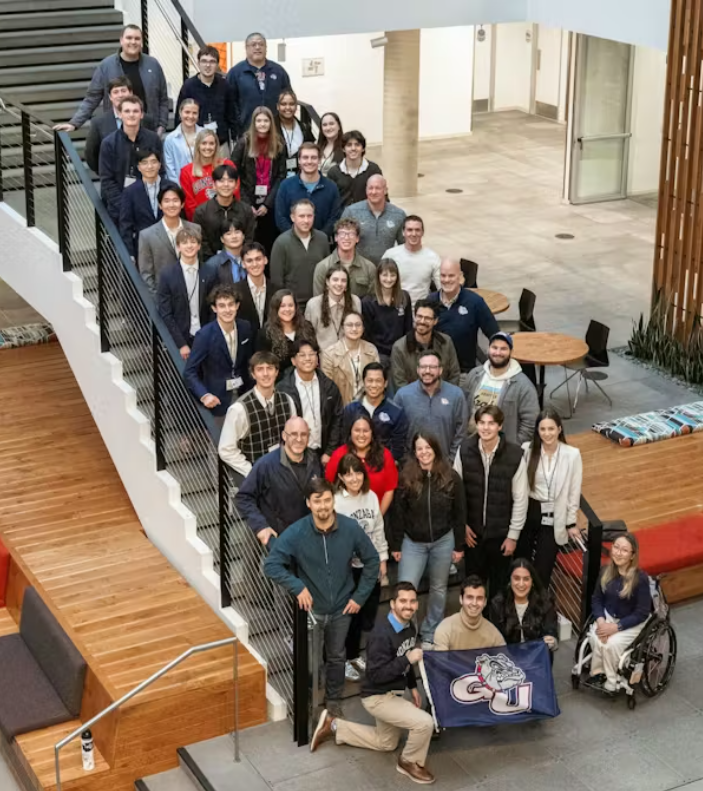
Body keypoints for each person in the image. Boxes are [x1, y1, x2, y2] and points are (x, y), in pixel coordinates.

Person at [264, 477, 380, 716]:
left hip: (341, 609)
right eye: (318, 501)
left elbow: (372, 560)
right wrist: (297, 586)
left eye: (327, 500)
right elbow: (272, 565)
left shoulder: (350, 528)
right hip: (312, 610)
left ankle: (333, 702)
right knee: (309, 659)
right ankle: (306, 702)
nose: (323, 506)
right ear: (309, 503)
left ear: (333, 501)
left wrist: (359, 597)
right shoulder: (296, 532)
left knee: (337, 657)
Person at [310, 582, 436, 786]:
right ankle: (409, 762)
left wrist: (413, 686)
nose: (408, 605)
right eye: (403, 601)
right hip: (377, 696)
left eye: (412, 601)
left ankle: (333, 726)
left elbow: (405, 655)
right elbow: (377, 675)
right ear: (393, 604)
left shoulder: (410, 626)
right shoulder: (381, 635)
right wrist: (408, 660)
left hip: (393, 693)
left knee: (386, 743)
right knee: (424, 723)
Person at [391, 433, 466, 646]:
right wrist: (396, 545)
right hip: (412, 542)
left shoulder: (451, 477)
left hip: (443, 541)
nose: (424, 452)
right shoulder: (406, 477)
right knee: (406, 588)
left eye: (427, 447)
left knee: (439, 588)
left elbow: (460, 513)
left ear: (435, 449)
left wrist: (459, 546)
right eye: (419, 448)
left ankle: (431, 631)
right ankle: (407, 633)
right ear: (414, 452)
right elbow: (398, 513)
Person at [455, 404, 529, 598]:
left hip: (501, 536)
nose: (485, 428)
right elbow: (456, 492)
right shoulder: (464, 449)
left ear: (500, 426)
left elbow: (521, 499)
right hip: (472, 536)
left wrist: (513, 536)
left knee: (499, 590)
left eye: (491, 423)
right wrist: (461, 525)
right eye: (481, 423)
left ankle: (496, 626)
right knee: (472, 589)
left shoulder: (515, 455)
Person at [333, 454, 389, 681]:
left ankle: (355, 655)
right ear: (340, 477)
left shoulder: (371, 497)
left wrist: (382, 559)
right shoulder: (336, 501)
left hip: (370, 565)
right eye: (348, 474)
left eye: (357, 473)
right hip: (348, 569)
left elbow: (378, 529)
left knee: (367, 614)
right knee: (350, 617)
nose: (354, 478)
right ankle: (346, 658)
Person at [54, 24, 168, 134]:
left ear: (141, 42)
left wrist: (161, 126)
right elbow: (92, 98)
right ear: (121, 40)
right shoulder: (106, 66)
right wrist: (75, 123)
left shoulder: (153, 65)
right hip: (116, 132)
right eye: (129, 38)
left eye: (137, 38)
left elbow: (163, 99)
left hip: (148, 131)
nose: (133, 42)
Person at [518, 408, 583, 587]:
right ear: (537, 431)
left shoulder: (572, 455)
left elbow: (573, 491)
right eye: (543, 429)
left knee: (542, 570)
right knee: (521, 566)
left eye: (551, 429)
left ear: (559, 429)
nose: (547, 434)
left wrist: (571, 522)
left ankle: (537, 608)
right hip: (530, 512)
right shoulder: (527, 450)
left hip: (554, 516)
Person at [235, 417, 323, 546]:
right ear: (284, 436)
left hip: (307, 536)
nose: (299, 439)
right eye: (293, 434)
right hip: (278, 539)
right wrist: (260, 526)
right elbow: (243, 497)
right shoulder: (265, 464)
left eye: (303, 434)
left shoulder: (314, 460)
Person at [588, 533, 652, 692]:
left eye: (624, 550)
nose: (618, 552)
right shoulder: (605, 571)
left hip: (631, 620)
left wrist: (616, 628)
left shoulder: (640, 579)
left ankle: (612, 679)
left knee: (611, 644)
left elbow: (642, 613)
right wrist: (602, 622)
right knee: (596, 637)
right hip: (608, 617)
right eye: (616, 547)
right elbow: (596, 599)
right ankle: (598, 672)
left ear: (632, 555)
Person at [218, 351, 296, 478]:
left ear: (276, 372)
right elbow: (226, 450)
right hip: (256, 480)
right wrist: (252, 472)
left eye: (270, 368)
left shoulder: (287, 401)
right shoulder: (239, 409)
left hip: (284, 474)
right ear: (253, 374)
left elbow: (293, 437)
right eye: (260, 369)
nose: (265, 374)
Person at [184, 285, 254, 420]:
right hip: (217, 401)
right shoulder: (204, 335)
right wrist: (204, 395)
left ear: (237, 306)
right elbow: (189, 372)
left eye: (231, 305)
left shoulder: (245, 327)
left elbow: (249, 360)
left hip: (244, 396)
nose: (227, 310)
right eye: (222, 306)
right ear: (214, 308)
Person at [463, 331, 539, 445]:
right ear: (488, 349)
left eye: (503, 349)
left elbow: (531, 422)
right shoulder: (474, 375)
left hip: (502, 450)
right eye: (494, 347)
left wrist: (514, 447)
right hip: (472, 443)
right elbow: (463, 407)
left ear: (511, 352)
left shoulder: (524, 386)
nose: (498, 352)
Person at [429, 259, 499, 379]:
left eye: (451, 276)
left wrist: (495, 364)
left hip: (465, 373)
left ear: (460, 277)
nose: (446, 280)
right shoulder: (430, 301)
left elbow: (495, 334)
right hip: (435, 373)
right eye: (443, 275)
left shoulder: (475, 302)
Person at [277, 339, 343, 466]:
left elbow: (337, 419)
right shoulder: (283, 389)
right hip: (294, 453)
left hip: (323, 452)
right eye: (302, 355)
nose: (308, 358)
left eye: (312, 354)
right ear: (293, 361)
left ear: (317, 359)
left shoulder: (329, 386)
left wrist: (330, 451)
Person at [99, 95, 163, 224]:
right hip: (120, 212)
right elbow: (107, 180)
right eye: (127, 111)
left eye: (135, 111)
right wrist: (125, 207)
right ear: (120, 114)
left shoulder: (153, 139)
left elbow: (161, 172)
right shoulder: (109, 143)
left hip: (150, 209)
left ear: (142, 115)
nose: (131, 115)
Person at [230, 106, 286, 253]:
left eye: (266, 120)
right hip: (247, 200)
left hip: (270, 202)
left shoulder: (278, 143)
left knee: (269, 242)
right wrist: (247, 203)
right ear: (253, 123)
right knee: (250, 243)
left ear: (271, 123)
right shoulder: (244, 143)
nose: (262, 124)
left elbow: (281, 175)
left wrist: (268, 204)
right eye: (259, 120)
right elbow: (233, 174)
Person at [156, 227, 218, 360]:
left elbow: (214, 307)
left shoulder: (210, 272)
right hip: (180, 337)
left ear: (199, 246)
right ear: (178, 247)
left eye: (193, 242)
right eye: (184, 243)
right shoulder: (167, 274)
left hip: (205, 335)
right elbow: (165, 312)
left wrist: (210, 336)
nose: (189, 246)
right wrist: (181, 344)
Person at [394, 351, 467, 461]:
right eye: (423, 367)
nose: (427, 371)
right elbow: (396, 431)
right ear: (418, 370)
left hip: (445, 465)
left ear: (440, 370)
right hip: (412, 466)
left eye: (432, 367)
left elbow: (461, 432)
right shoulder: (403, 395)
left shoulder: (456, 395)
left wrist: (451, 460)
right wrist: (406, 460)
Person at [325, 414, 398, 516]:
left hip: (378, 515)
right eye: (357, 430)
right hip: (345, 518)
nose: (361, 435)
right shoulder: (338, 455)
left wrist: (377, 518)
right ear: (350, 432)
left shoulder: (385, 455)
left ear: (372, 433)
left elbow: (389, 489)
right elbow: (329, 487)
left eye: (365, 431)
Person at [83, 76, 156, 173]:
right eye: (116, 92)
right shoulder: (99, 123)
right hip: (113, 180)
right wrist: (105, 172)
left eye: (123, 91)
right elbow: (91, 154)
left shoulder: (147, 120)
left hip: (144, 178)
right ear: (110, 97)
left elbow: (154, 149)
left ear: (131, 93)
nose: (120, 95)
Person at [138, 184, 199, 295]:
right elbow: (146, 274)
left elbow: (201, 261)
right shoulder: (147, 235)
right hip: (164, 297)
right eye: (166, 201)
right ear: (160, 205)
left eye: (175, 200)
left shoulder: (195, 229)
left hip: (194, 292)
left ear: (182, 204)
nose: (171, 205)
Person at [176, 46, 238, 154]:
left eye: (212, 62)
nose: (208, 65)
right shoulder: (188, 86)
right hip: (195, 145)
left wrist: (234, 137)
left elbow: (231, 115)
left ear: (217, 64)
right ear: (198, 63)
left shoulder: (225, 86)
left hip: (220, 144)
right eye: (204, 61)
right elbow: (179, 115)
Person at [226, 32, 292, 133]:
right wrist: (238, 125)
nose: (257, 47)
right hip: (247, 132)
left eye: (261, 44)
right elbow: (230, 104)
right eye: (253, 45)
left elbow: (288, 98)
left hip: (275, 132)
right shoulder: (236, 73)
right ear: (246, 48)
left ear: (266, 48)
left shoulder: (278, 71)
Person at [269, 199, 331, 306]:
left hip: (320, 303)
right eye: (301, 216)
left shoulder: (322, 239)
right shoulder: (281, 242)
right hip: (294, 305)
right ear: (293, 217)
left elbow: (328, 271)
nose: (306, 220)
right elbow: (277, 281)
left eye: (309, 216)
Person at [343, 363, 409, 463]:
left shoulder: (396, 412)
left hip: (384, 465)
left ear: (385, 383)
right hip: (355, 466)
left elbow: (398, 447)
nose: (374, 385)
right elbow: (345, 440)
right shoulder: (351, 409)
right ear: (363, 382)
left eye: (378, 381)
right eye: (370, 381)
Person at [489, 559, 559, 651]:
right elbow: (495, 639)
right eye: (516, 578)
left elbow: (551, 630)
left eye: (526, 579)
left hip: (536, 658)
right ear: (510, 580)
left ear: (532, 581)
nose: (521, 584)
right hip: (508, 659)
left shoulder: (545, 601)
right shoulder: (497, 604)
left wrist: (552, 640)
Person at [390, 300, 460, 391]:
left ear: (435, 321)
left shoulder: (446, 342)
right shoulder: (399, 347)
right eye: (419, 316)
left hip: (443, 399)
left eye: (427, 318)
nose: (422, 321)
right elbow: (399, 383)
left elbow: (454, 375)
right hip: (411, 401)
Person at [274, 143, 342, 236]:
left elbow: (335, 218)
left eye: (313, 157)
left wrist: (319, 239)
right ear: (299, 160)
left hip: (322, 245)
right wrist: (296, 237)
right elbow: (280, 217)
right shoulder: (286, 186)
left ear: (319, 160)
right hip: (292, 244)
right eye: (305, 157)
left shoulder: (331, 187)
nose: (309, 161)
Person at [192, 163, 255, 257]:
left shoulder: (246, 210)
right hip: (212, 264)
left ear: (236, 185)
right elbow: (202, 243)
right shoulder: (201, 212)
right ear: (213, 185)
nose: (226, 185)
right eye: (221, 181)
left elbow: (249, 239)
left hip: (241, 262)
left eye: (230, 181)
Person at [341, 175, 405, 265]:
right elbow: (342, 242)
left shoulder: (398, 214)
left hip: (386, 272)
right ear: (366, 190)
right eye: (370, 188)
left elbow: (404, 246)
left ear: (385, 190)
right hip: (358, 270)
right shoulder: (351, 212)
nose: (373, 192)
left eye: (378, 188)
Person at [361, 259, 413, 367]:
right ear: (378, 276)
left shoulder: (404, 297)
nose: (389, 279)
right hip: (378, 354)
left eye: (392, 275)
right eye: (384, 275)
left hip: (400, 352)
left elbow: (408, 329)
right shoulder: (368, 302)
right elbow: (366, 335)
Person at [382, 216, 441, 309]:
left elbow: (441, 287)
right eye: (410, 230)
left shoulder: (432, 257)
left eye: (417, 230)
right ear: (403, 232)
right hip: (394, 310)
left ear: (422, 233)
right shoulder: (390, 255)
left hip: (420, 313)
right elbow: (380, 284)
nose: (414, 234)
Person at [255, 289, 316, 380]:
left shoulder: (307, 327)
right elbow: (264, 366)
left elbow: (314, 354)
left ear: (296, 307)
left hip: (308, 379)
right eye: (282, 306)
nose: (287, 309)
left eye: (290, 305)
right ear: (275, 309)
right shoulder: (265, 334)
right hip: (279, 385)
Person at [321, 312, 380, 405]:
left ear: (363, 328)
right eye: (349, 325)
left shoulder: (371, 350)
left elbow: (377, 381)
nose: (354, 328)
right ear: (342, 328)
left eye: (358, 325)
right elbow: (328, 388)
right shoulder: (330, 354)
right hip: (341, 407)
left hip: (368, 406)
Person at [434, 576, 505, 651]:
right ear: (461, 599)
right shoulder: (445, 629)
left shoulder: (493, 634)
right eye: (469, 597)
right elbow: (440, 662)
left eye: (479, 598)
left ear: (485, 602)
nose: (474, 603)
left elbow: (505, 660)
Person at [312, 218, 376, 299]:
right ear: (336, 238)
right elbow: (318, 300)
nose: (346, 238)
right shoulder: (323, 267)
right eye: (342, 233)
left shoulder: (369, 268)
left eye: (351, 234)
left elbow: (372, 301)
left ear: (357, 238)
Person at [180, 130, 237, 222]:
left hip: (227, 222)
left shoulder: (228, 165)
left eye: (211, 143)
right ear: (198, 145)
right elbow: (189, 205)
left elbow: (235, 194)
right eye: (204, 143)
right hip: (201, 224)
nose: (208, 147)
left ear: (216, 146)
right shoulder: (186, 172)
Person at [118, 148, 163, 259]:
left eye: (153, 162)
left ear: (159, 165)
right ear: (139, 167)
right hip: (142, 247)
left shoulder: (170, 187)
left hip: (168, 246)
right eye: (144, 163)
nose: (149, 166)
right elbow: (125, 224)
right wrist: (130, 253)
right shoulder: (130, 192)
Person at [305, 265, 362, 350]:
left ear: (347, 285)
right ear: (327, 282)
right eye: (335, 280)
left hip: (349, 355)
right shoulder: (313, 304)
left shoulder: (355, 301)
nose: (339, 284)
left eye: (343, 281)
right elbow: (308, 337)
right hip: (323, 357)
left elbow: (358, 331)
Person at [232, 242, 281, 333]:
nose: (254, 264)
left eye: (258, 259)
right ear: (243, 264)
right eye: (249, 261)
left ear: (265, 260)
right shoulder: (235, 291)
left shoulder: (277, 290)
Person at [327, 130, 383, 209]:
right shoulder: (333, 172)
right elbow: (329, 200)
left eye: (357, 145)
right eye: (349, 145)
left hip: (367, 217)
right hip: (341, 218)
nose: (353, 148)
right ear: (343, 149)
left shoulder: (373, 170)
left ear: (363, 148)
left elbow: (382, 196)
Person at [275, 89, 315, 177]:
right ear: (277, 106)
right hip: (276, 177)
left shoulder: (304, 127)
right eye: (283, 104)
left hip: (300, 175)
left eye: (291, 104)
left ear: (296, 106)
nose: (288, 107)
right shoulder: (271, 128)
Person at [163, 98, 203, 183]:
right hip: (181, 187)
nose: (191, 116)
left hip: (204, 185)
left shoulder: (205, 135)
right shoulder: (170, 139)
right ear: (180, 113)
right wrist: (179, 190)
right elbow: (170, 169)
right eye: (187, 112)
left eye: (194, 113)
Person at [206, 218, 247, 285]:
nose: (234, 236)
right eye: (228, 233)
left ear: (243, 236)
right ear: (222, 239)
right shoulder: (213, 264)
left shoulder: (252, 259)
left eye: (237, 232)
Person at [317, 112, 344, 176]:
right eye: (324, 125)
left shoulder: (346, 147)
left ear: (339, 126)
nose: (328, 128)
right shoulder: (316, 146)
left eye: (331, 124)